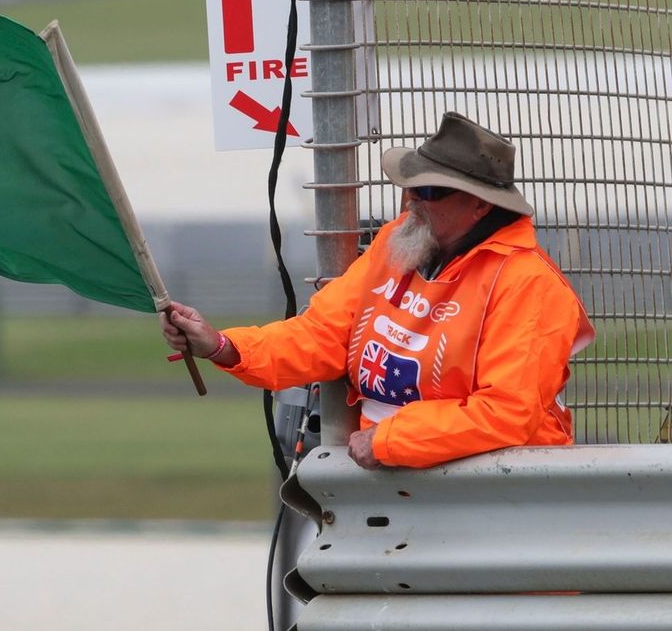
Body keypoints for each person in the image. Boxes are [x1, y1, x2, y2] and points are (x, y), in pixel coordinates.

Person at [161, 112, 594, 470]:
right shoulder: (397, 243)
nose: (411, 200)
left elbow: (504, 414)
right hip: (403, 484)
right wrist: (222, 345)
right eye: (410, 185)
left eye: (430, 190)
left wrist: (388, 440)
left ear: (480, 205)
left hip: (500, 496)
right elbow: (322, 335)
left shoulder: (528, 284)